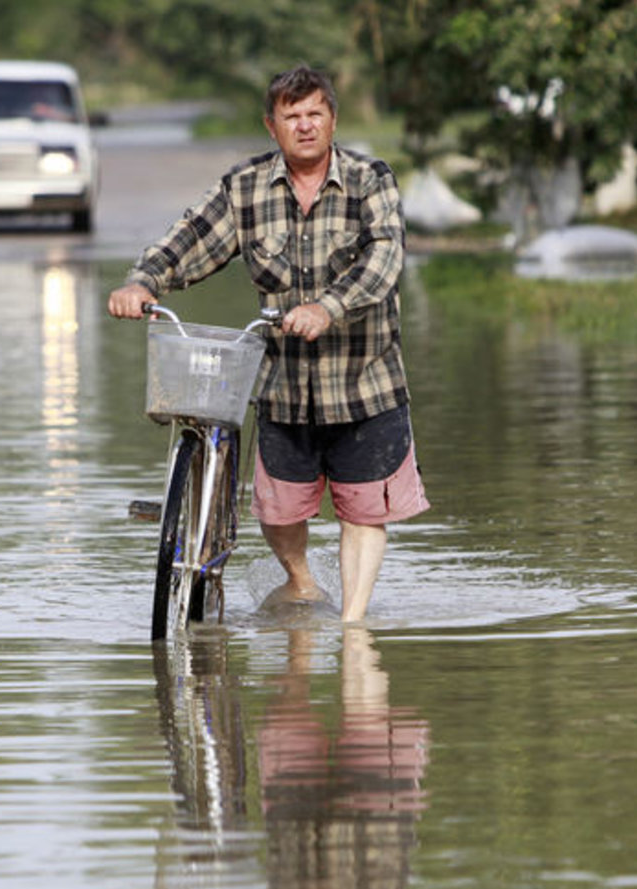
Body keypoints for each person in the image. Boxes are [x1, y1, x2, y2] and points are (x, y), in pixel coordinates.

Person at [108, 65, 429, 623]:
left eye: (315, 114)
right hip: (284, 387)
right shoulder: (245, 187)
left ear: (332, 118)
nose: (305, 126)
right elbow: (191, 239)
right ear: (271, 125)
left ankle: (353, 628)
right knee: (279, 512)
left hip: (365, 382)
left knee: (362, 513)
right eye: (292, 116)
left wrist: (327, 308)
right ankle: (301, 582)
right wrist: (143, 282)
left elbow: (385, 259)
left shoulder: (370, 179)